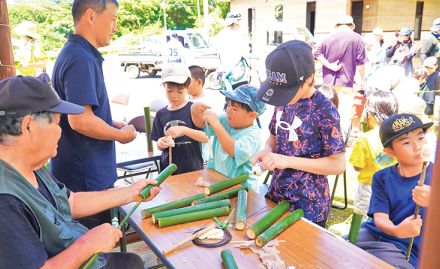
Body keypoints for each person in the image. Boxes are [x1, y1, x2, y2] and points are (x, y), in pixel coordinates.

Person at [0, 76, 160, 269]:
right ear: (28, 126)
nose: (61, 132)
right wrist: (88, 244)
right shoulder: (5, 201)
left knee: (131, 262)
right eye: (57, 123)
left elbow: (70, 202)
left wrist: (131, 192)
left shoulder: (32, 166)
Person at [51, 0, 137, 229]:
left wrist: (112, 124)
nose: (115, 27)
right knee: (98, 254)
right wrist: (121, 136)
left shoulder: (77, 53)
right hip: (85, 180)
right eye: (112, 19)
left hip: (83, 175)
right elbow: (80, 121)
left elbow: (87, 113)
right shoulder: (80, 58)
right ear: (91, 16)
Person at [253, 40, 346, 227]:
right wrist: (267, 149)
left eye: (287, 90)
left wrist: (287, 161)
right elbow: (274, 137)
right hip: (277, 194)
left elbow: (338, 164)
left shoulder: (325, 111)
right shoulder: (283, 100)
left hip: (308, 204)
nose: (282, 96)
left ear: (310, 78)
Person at [354, 113, 433, 269]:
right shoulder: (381, 177)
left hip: (410, 248)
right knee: (342, 247)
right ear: (389, 152)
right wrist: (396, 230)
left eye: (420, 138)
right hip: (376, 236)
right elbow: (380, 218)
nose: (417, 146)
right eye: (406, 142)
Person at [191, 85, 266, 188]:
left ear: (252, 115)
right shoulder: (226, 120)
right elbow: (201, 124)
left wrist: (216, 125)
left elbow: (232, 150)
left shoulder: (253, 135)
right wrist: (194, 110)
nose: (228, 111)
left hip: (241, 189)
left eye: (234, 109)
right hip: (217, 181)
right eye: (228, 105)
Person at [314, 15, 367, 136]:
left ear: (337, 25)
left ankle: (325, 137)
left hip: (328, 83)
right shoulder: (357, 38)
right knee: (343, 112)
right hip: (346, 82)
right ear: (351, 26)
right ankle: (340, 138)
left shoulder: (327, 37)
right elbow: (361, 63)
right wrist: (362, 80)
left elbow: (316, 53)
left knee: (327, 110)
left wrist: (329, 65)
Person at [151, 63, 208, 175]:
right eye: (169, 91)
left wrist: (184, 129)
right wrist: (161, 143)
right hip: (167, 171)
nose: (174, 96)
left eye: (180, 92)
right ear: (164, 87)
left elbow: (205, 138)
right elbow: (158, 144)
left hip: (193, 169)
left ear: (188, 88)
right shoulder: (161, 114)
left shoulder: (194, 109)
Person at [349, 90, 398, 216]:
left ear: (369, 114)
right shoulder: (399, 138)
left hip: (368, 189)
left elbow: (357, 167)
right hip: (393, 187)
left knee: (363, 221)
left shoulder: (364, 139)